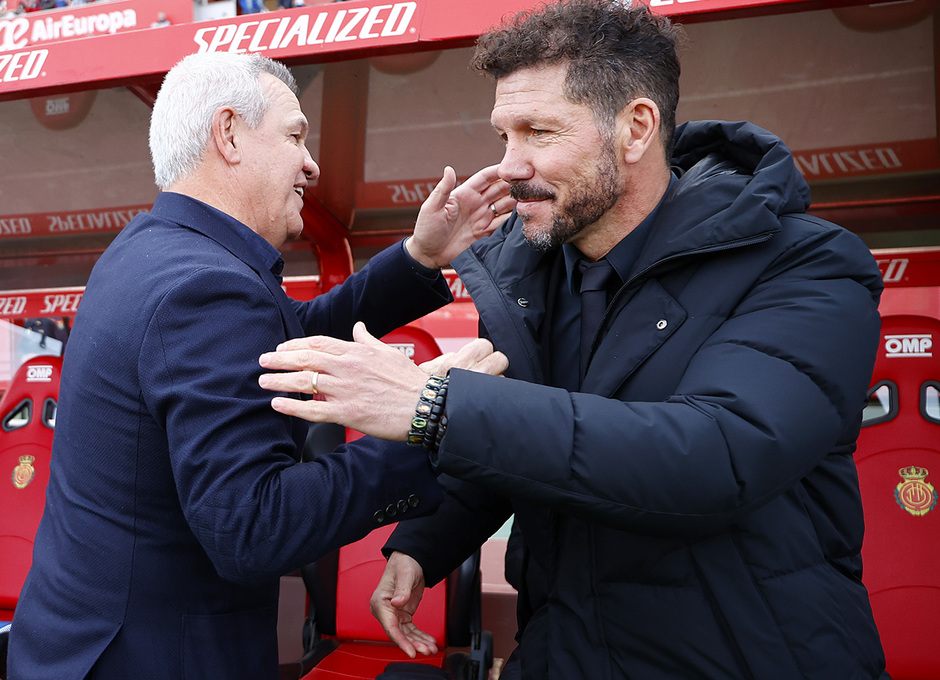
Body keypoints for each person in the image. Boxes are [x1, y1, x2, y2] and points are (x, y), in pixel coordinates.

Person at [256, 1, 890, 678]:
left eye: (539, 132)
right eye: (503, 134)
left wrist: (437, 407)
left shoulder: (804, 264)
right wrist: (422, 547)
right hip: (565, 651)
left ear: (636, 128)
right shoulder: (533, 273)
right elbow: (534, 446)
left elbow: (716, 457)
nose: (509, 165)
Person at [6, 51, 509, 680]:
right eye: (296, 134)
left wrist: (417, 256)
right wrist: (428, 420)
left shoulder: (147, 249)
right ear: (229, 134)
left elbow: (277, 343)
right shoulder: (206, 286)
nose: (311, 161)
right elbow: (253, 528)